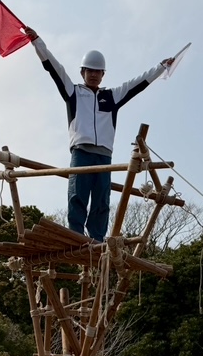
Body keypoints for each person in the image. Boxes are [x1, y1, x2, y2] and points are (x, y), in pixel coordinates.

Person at [24, 27, 174, 242]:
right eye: (90, 71)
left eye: (98, 72)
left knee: (102, 199)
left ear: (103, 74)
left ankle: (97, 240)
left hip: (104, 155)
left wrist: (161, 67)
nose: (94, 75)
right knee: (77, 195)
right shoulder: (73, 92)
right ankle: (76, 238)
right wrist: (37, 41)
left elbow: (139, 83)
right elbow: (53, 67)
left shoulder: (112, 96)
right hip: (81, 152)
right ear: (82, 72)